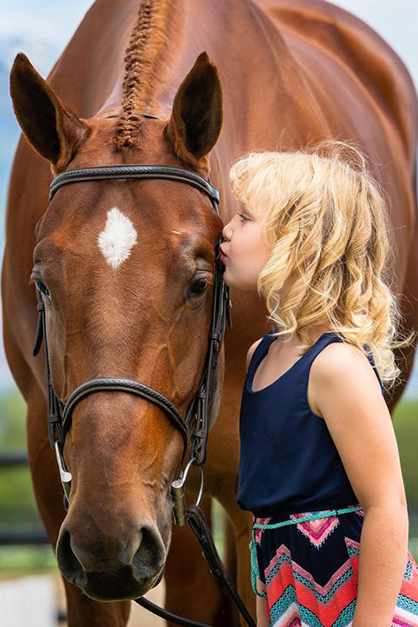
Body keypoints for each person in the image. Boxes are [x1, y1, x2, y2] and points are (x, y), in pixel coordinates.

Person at [220, 143, 418, 627]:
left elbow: (386, 507)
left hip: (361, 606)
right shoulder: (259, 357)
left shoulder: (336, 368)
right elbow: (270, 526)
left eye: (244, 218)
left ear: (298, 240)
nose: (224, 230)